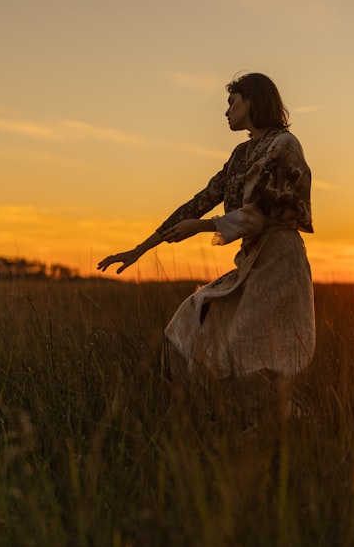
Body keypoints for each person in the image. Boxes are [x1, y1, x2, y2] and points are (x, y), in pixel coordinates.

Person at [97, 73, 315, 415]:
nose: (226, 111)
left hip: (279, 261)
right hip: (251, 260)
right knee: (193, 318)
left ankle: (283, 426)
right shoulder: (242, 153)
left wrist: (203, 227)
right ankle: (218, 415)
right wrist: (138, 250)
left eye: (232, 102)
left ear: (254, 101)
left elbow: (262, 212)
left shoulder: (284, 146)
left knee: (248, 349)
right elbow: (201, 200)